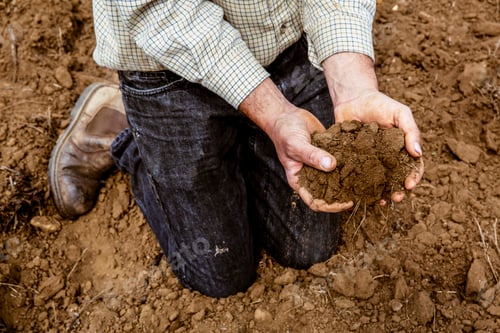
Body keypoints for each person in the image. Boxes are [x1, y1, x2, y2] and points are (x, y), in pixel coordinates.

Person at [49, 1, 424, 297]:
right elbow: (159, 9)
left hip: (284, 46)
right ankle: (126, 135)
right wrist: (274, 115)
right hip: (169, 70)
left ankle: (241, 143)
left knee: (308, 249)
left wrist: (354, 85)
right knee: (219, 274)